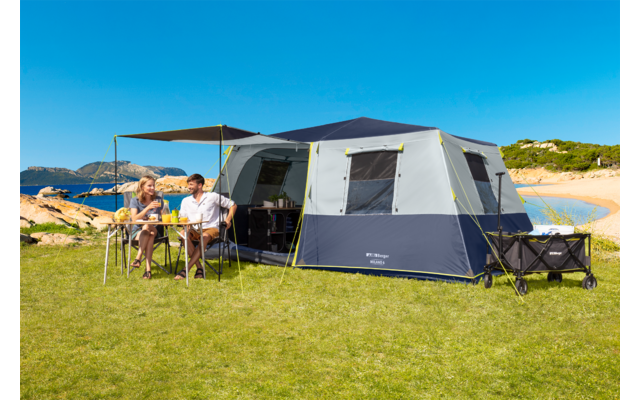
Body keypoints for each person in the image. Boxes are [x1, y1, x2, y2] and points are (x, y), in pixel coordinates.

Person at [174, 173, 237, 280]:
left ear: (200, 185)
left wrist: (228, 219)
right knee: (183, 234)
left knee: (204, 237)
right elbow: (182, 217)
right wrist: (185, 223)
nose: (188, 187)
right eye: (188, 184)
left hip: (211, 228)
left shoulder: (212, 196)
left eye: (191, 184)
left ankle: (186, 269)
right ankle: (199, 267)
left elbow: (233, 204)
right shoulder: (186, 201)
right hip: (193, 228)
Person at [128, 175, 163, 279]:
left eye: (153, 185)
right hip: (138, 232)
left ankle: (138, 257)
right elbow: (134, 219)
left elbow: (163, 217)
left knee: (147, 226)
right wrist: (148, 208)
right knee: (149, 235)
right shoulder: (135, 200)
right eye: (149, 186)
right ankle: (148, 271)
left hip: (155, 229)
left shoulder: (158, 199)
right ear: (142, 187)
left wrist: (164, 214)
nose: (152, 188)